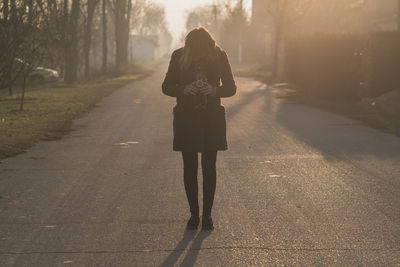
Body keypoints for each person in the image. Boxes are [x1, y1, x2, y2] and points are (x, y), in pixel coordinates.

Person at [162, 27, 236, 231]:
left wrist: (213, 90)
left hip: (211, 118)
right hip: (187, 118)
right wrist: (184, 89)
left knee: (204, 168)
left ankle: (203, 216)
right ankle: (198, 215)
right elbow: (167, 86)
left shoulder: (219, 56)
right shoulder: (179, 56)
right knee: (194, 168)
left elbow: (231, 87)